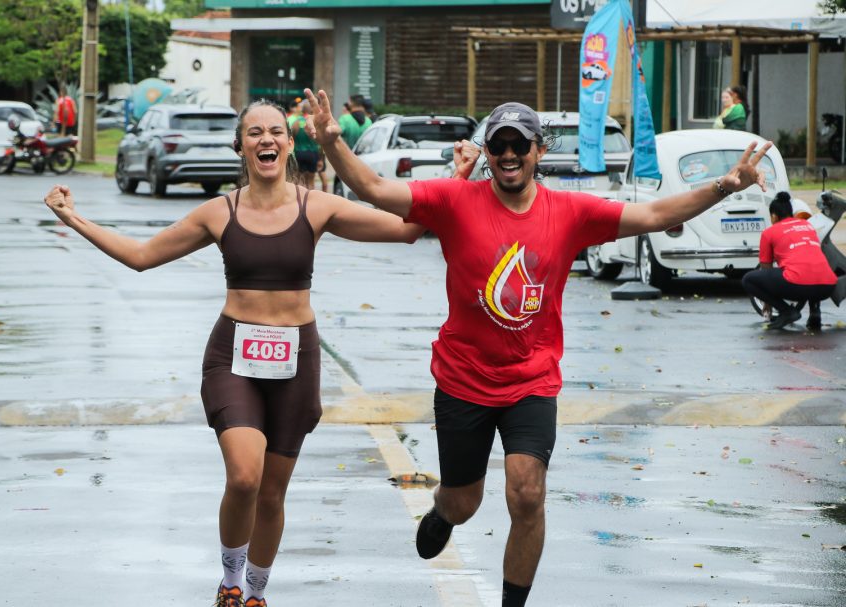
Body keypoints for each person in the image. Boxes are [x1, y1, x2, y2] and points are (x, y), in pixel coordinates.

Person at [303, 89, 771, 607]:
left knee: (527, 493)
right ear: (487, 151)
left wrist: (723, 187)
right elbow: (370, 187)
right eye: (498, 144)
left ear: (538, 152)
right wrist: (330, 143)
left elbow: (656, 215)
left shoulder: (569, 212)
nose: (508, 154)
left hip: (531, 380)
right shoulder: (453, 200)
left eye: (519, 145)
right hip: (462, 379)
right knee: (465, 502)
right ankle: (443, 512)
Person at [43, 99, 425, 607]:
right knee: (245, 476)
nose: (266, 140)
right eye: (254, 133)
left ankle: (255, 593)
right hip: (233, 358)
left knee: (272, 493)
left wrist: (458, 180)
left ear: (290, 144)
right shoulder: (217, 213)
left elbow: (407, 230)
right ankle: (229, 579)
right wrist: (73, 218)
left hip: (296, 362)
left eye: (275, 132)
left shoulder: (318, 206)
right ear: (240, 146)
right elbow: (140, 257)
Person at [742, 192, 837, 331]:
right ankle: (815, 313)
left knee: (748, 280)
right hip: (827, 287)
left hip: (798, 285)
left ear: (774, 216)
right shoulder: (807, 225)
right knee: (811, 266)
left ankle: (787, 312)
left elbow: (766, 269)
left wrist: (767, 302)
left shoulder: (769, 232)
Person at [288, 100, 321, 189]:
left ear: (302, 110)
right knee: (311, 181)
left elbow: (291, 139)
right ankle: (310, 201)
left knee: (299, 180)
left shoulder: (296, 123)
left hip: (299, 153)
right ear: (311, 111)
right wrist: (320, 158)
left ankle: (299, 200)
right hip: (313, 153)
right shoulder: (316, 123)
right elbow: (320, 142)